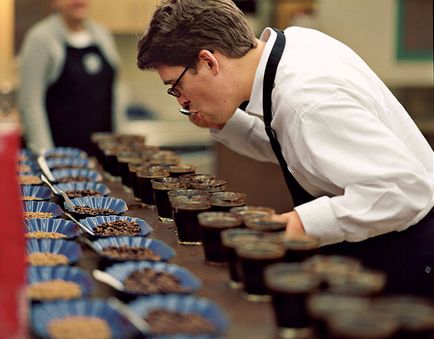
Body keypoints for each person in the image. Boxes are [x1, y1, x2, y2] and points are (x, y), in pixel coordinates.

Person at [136, 0, 434, 297]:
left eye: (176, 86)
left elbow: (403, 190)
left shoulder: (307, 99)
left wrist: (297, 223)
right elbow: (306, 151)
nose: (182, 102)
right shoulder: (293, 46)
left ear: (209, 62)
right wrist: (227, 124)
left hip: (406, 251)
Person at [18, 0, 124, 155]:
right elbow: (30, 104)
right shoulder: (40, 38)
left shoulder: (102, 34)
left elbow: (115, 92)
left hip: (102, 158)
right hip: (62, 161)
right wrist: (47, 156)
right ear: (55, 3)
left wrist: (120, 146)